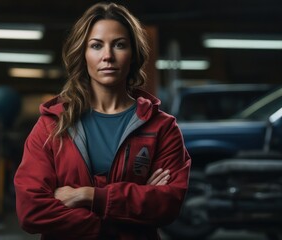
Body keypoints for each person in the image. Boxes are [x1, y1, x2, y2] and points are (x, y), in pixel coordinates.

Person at [14, 2, 191, 239]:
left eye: (119, 45)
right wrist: (128, 211)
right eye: (96, 46)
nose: (107, 56)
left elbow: (167, 205)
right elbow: (31, 210)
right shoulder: (52, 125)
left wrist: (87, 196)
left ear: (133, 54)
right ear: (83, 54)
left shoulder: (162, 128)